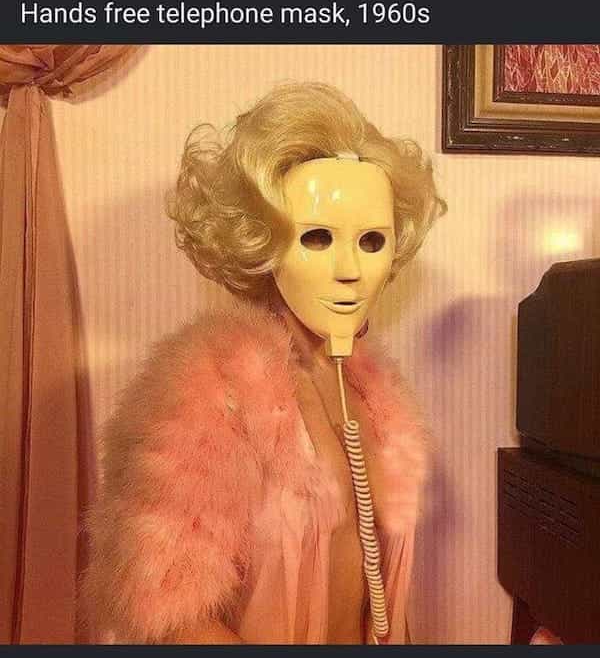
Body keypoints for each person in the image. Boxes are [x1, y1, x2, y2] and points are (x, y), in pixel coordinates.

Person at [81, 82, 446, 644]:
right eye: (318, 238)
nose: (349, 270)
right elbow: (171, 616)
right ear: (263, 240)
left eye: (372, 241)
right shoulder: (208, 387)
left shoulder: (378, 398)